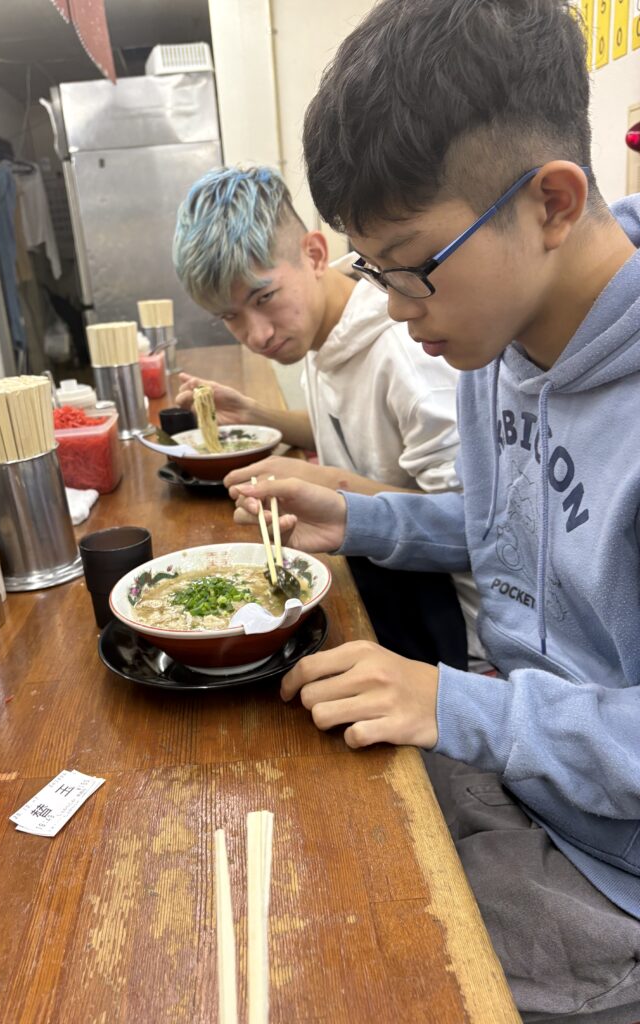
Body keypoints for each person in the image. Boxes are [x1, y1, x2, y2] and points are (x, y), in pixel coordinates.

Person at [230, 1, 640, 1020]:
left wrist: (456, 703)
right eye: (374, 270)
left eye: (411, 264)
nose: (395, 305)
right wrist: (367, 522)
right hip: (520, 770)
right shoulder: (491, 337)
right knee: (282, 850)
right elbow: (530, 531)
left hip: (611, 868)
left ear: (551, 202)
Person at [172, 165, 481, 670]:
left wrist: (329, 483)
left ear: (314, 254)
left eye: (263, 298)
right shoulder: (321, 328)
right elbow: (355, 431)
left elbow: (477, 528)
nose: (256, 334)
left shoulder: (407, 350)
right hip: (379, 582)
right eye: (230, 317)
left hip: (455, 640)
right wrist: (254, 414)